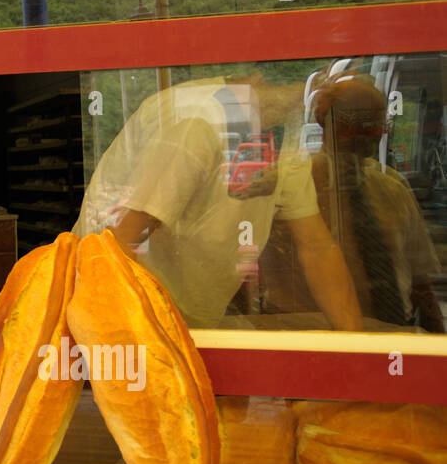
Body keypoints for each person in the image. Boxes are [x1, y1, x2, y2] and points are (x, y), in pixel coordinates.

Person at [74, 73, 362, 330]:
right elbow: (121, 241)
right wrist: (115, 339)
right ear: (258, 77)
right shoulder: (195, 123)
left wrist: (358, 350)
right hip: (130, 315)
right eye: (313, 84)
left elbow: (318, 247)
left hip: (188, 319)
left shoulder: (281, 129)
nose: (315, 99)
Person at [260, 74, 443, 332]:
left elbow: (421, 283)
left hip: (392, 335)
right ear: (325, 121)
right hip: (309, 338)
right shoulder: (285, 186)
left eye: (374, 121)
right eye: (353, 121)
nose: (369, 131)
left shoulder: (393, 188)